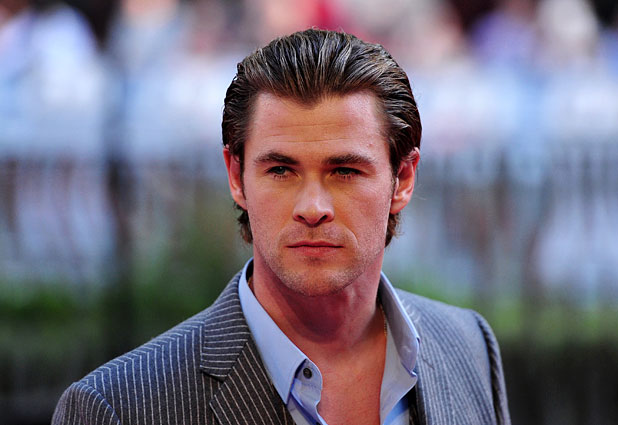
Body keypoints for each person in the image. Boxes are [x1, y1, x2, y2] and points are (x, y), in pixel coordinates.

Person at [52, 28, 510, 425]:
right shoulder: (118, 407)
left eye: (344, 171)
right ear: (236, 177)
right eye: (281, 171)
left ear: (403, 179)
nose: (312, 208)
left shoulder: (467, 346)